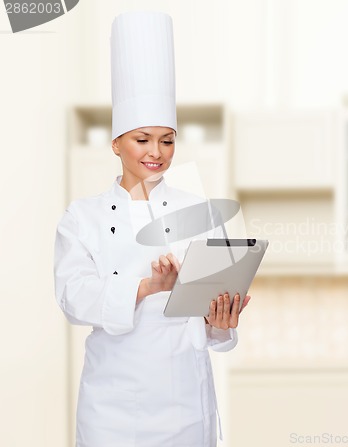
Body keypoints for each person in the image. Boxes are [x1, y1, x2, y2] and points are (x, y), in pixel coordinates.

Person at [53, 11, 249, 447]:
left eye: (167, 139)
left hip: (186, 406)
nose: (156, 152)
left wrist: (221, 318)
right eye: (142, 139)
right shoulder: (82, 217)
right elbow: (73, 298)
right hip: (113, 410)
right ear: (116, 143)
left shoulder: (198, 209)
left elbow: (211, 321)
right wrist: (146, 287)